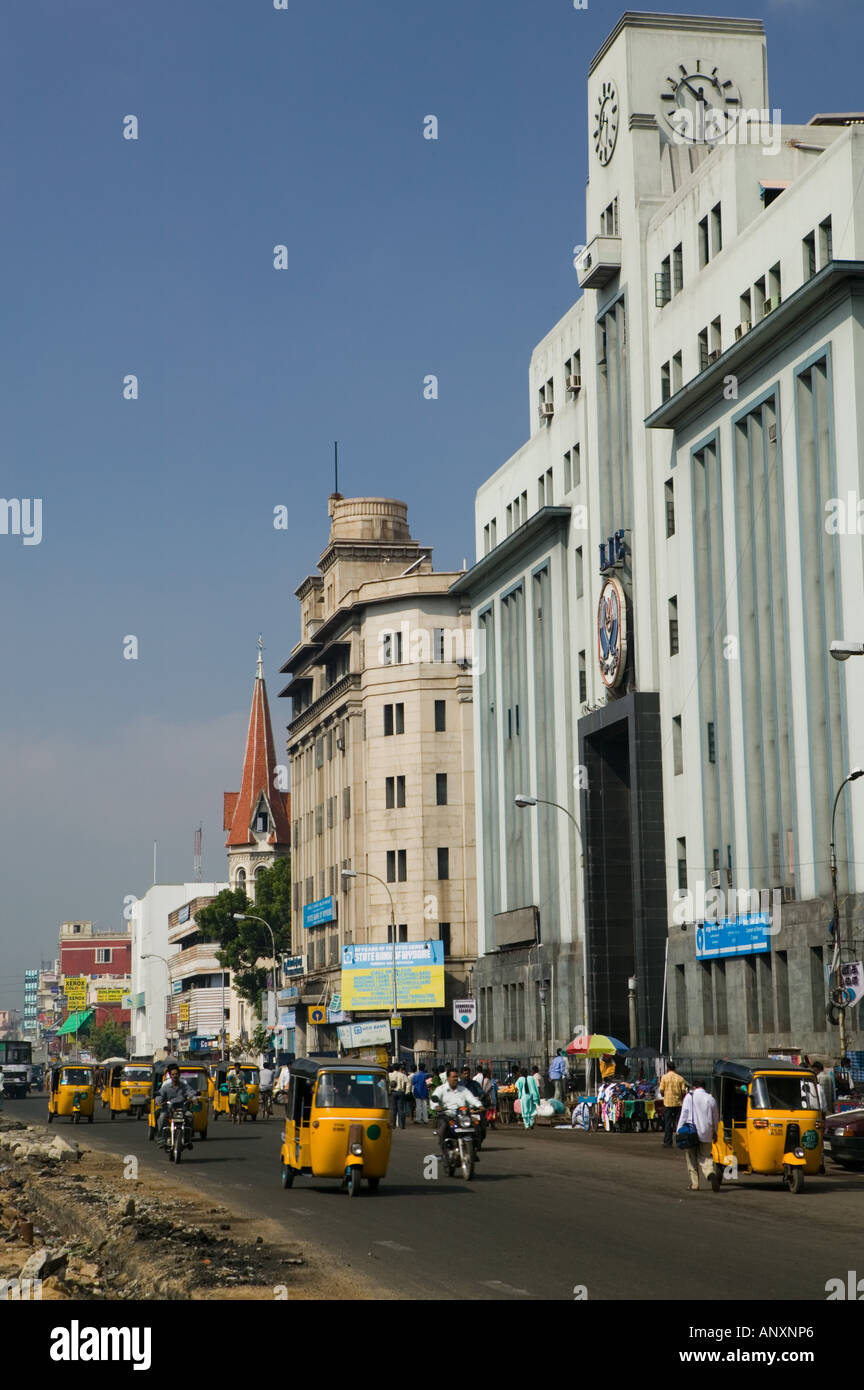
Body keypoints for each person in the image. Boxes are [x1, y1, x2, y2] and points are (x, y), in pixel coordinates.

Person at [677, 1082, 720, 1192]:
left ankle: (695, 1184)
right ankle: (710, 1173)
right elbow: (716, 1118)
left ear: (694, 1087)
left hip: (691, 1132)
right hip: (706, 1132)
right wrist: (715, 1132)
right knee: (705, 1156)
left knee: (691, 1158)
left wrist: (678, 1130)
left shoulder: (689, 1097)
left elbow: (684, 1114)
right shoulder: (711, 1099)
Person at [431, 1068, 483, 1156]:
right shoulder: (441, 1089)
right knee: (443, 1128)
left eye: (456, 1077)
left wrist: (479, 1105)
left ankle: (474, 1149)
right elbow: (434, 1099)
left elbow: (471, 1098)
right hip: (447, 1116)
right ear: (448, 1078)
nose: (455, 1079)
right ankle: (445, 1153)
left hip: (462, 1116)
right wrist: (436, 1106)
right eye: (453, 1077)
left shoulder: (463, 1089)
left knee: (476, 1125)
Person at [156, 1064, 192, 1142]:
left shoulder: (185, 1086)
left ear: (179, 1074)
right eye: (173, 1074)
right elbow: (160, 1095)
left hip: (181, 1109)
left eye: (176, 1074)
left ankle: (188, 1137)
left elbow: (190, 1092)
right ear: (170, 1075)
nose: (175, 1076)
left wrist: (194, 1098)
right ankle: (161, 1137)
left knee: (190, 1116)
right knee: (161, 1117)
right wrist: (158, 1101)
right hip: (168, 1110)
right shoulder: (165, 1087)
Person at [658, 1061, 688, 1148]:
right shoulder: (680, 1078)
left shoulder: (664, 1078)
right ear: (675, 1068)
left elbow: (661, 1090)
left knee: (668, 1123)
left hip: (668, 1103)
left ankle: (668, 1141)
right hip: (678, 1103)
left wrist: (665, 1095)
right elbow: (683, 1092)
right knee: (679, 1123)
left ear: (668, 1068)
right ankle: (681, 1141)